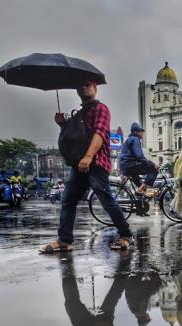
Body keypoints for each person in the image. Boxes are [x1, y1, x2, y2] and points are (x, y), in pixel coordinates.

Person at [39, 80, 133, 253]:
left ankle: (126, 235)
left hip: (96, 162)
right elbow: (73, 137)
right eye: (80, 85)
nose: (84, 87)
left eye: (87, 85)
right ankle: (64, 240)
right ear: (76, 90)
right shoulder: (79, 114)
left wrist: (89, 156)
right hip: (79, 164)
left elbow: (100, 134)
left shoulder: (101, 109)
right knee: (67, 199)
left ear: (95, 88)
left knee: (106, 199)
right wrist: (63, 124)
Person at [119, 122, 158, 195]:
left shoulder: (129, 139)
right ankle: (142, 190)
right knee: (154, 169)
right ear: (137, 132)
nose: (143, 133)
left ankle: (142, 197)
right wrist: (152, 164)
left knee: (141, 186)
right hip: (130, 165)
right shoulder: (135, 139)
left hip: (125, 166)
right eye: (142, 131)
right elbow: (139, 156)